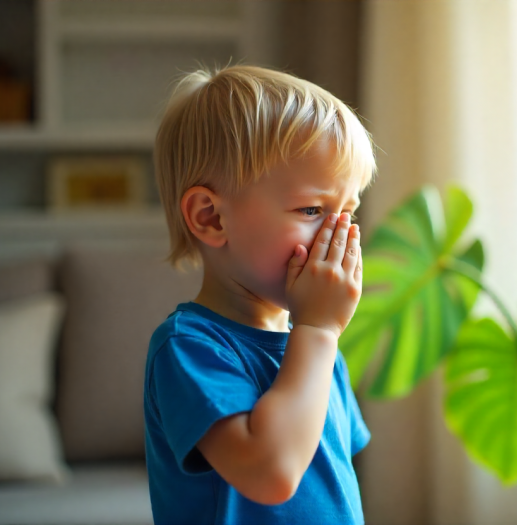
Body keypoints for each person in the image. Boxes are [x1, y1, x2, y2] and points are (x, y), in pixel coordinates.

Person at [143, 64, 377, 525]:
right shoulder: (190, 348)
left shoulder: (315, 347)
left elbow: (336, 490)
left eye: (348, 212)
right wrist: (318, 329)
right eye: (312, 209)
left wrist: (316, 334)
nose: (340, 233)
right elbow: (272, 473)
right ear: (211, 217)